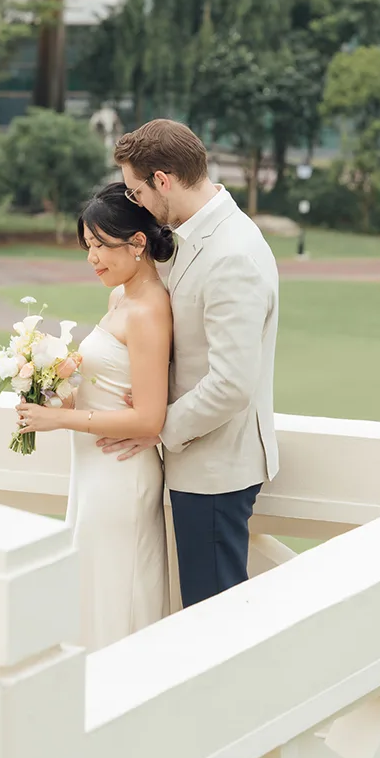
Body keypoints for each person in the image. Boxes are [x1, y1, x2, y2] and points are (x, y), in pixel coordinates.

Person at [99, 119, 279, 608]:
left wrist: (155, 426)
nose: (135, 205)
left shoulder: (231, 255)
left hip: (214, 469)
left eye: (137, 192)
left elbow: (231, 383)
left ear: (163, 181)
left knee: (212, 620)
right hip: (198, 463)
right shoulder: (199, 234)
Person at [16, 182, 173, 650]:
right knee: (90, 594)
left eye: (102, 246)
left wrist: (58, 421)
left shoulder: (147, 311)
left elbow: (149, 419)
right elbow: (109, 386)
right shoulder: (120, 298)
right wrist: (53, 382)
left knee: (115, 600)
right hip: (92, 471)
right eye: (88, 247)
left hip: (121, 475)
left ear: (138, 243)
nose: (93, 259)